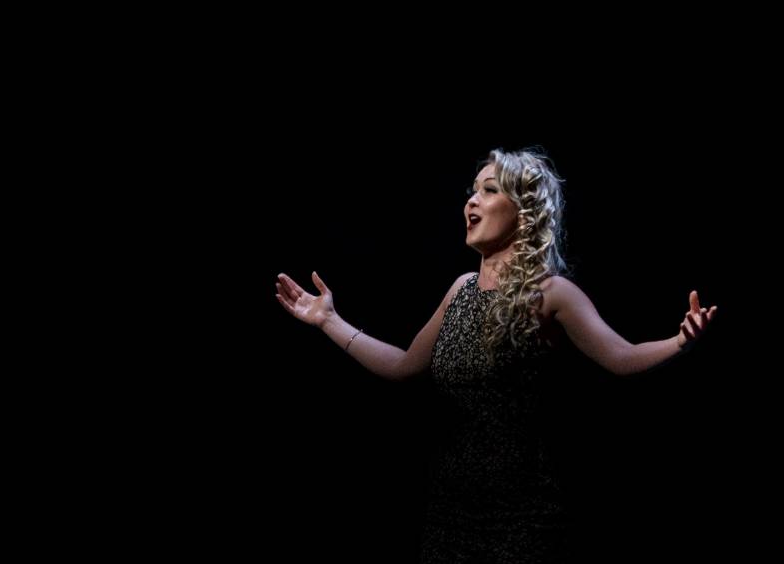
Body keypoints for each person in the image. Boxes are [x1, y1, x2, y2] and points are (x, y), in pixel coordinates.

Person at [274, 148, 716, 563]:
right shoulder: (460, 290)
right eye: (472, 190)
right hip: (450, 515)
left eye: (489, 190)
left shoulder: (550, 293)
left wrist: (678, 342)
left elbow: (621, 356)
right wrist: (329, 321)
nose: (472, 200)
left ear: (524, 211)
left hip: (525, 518)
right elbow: (403, 365)